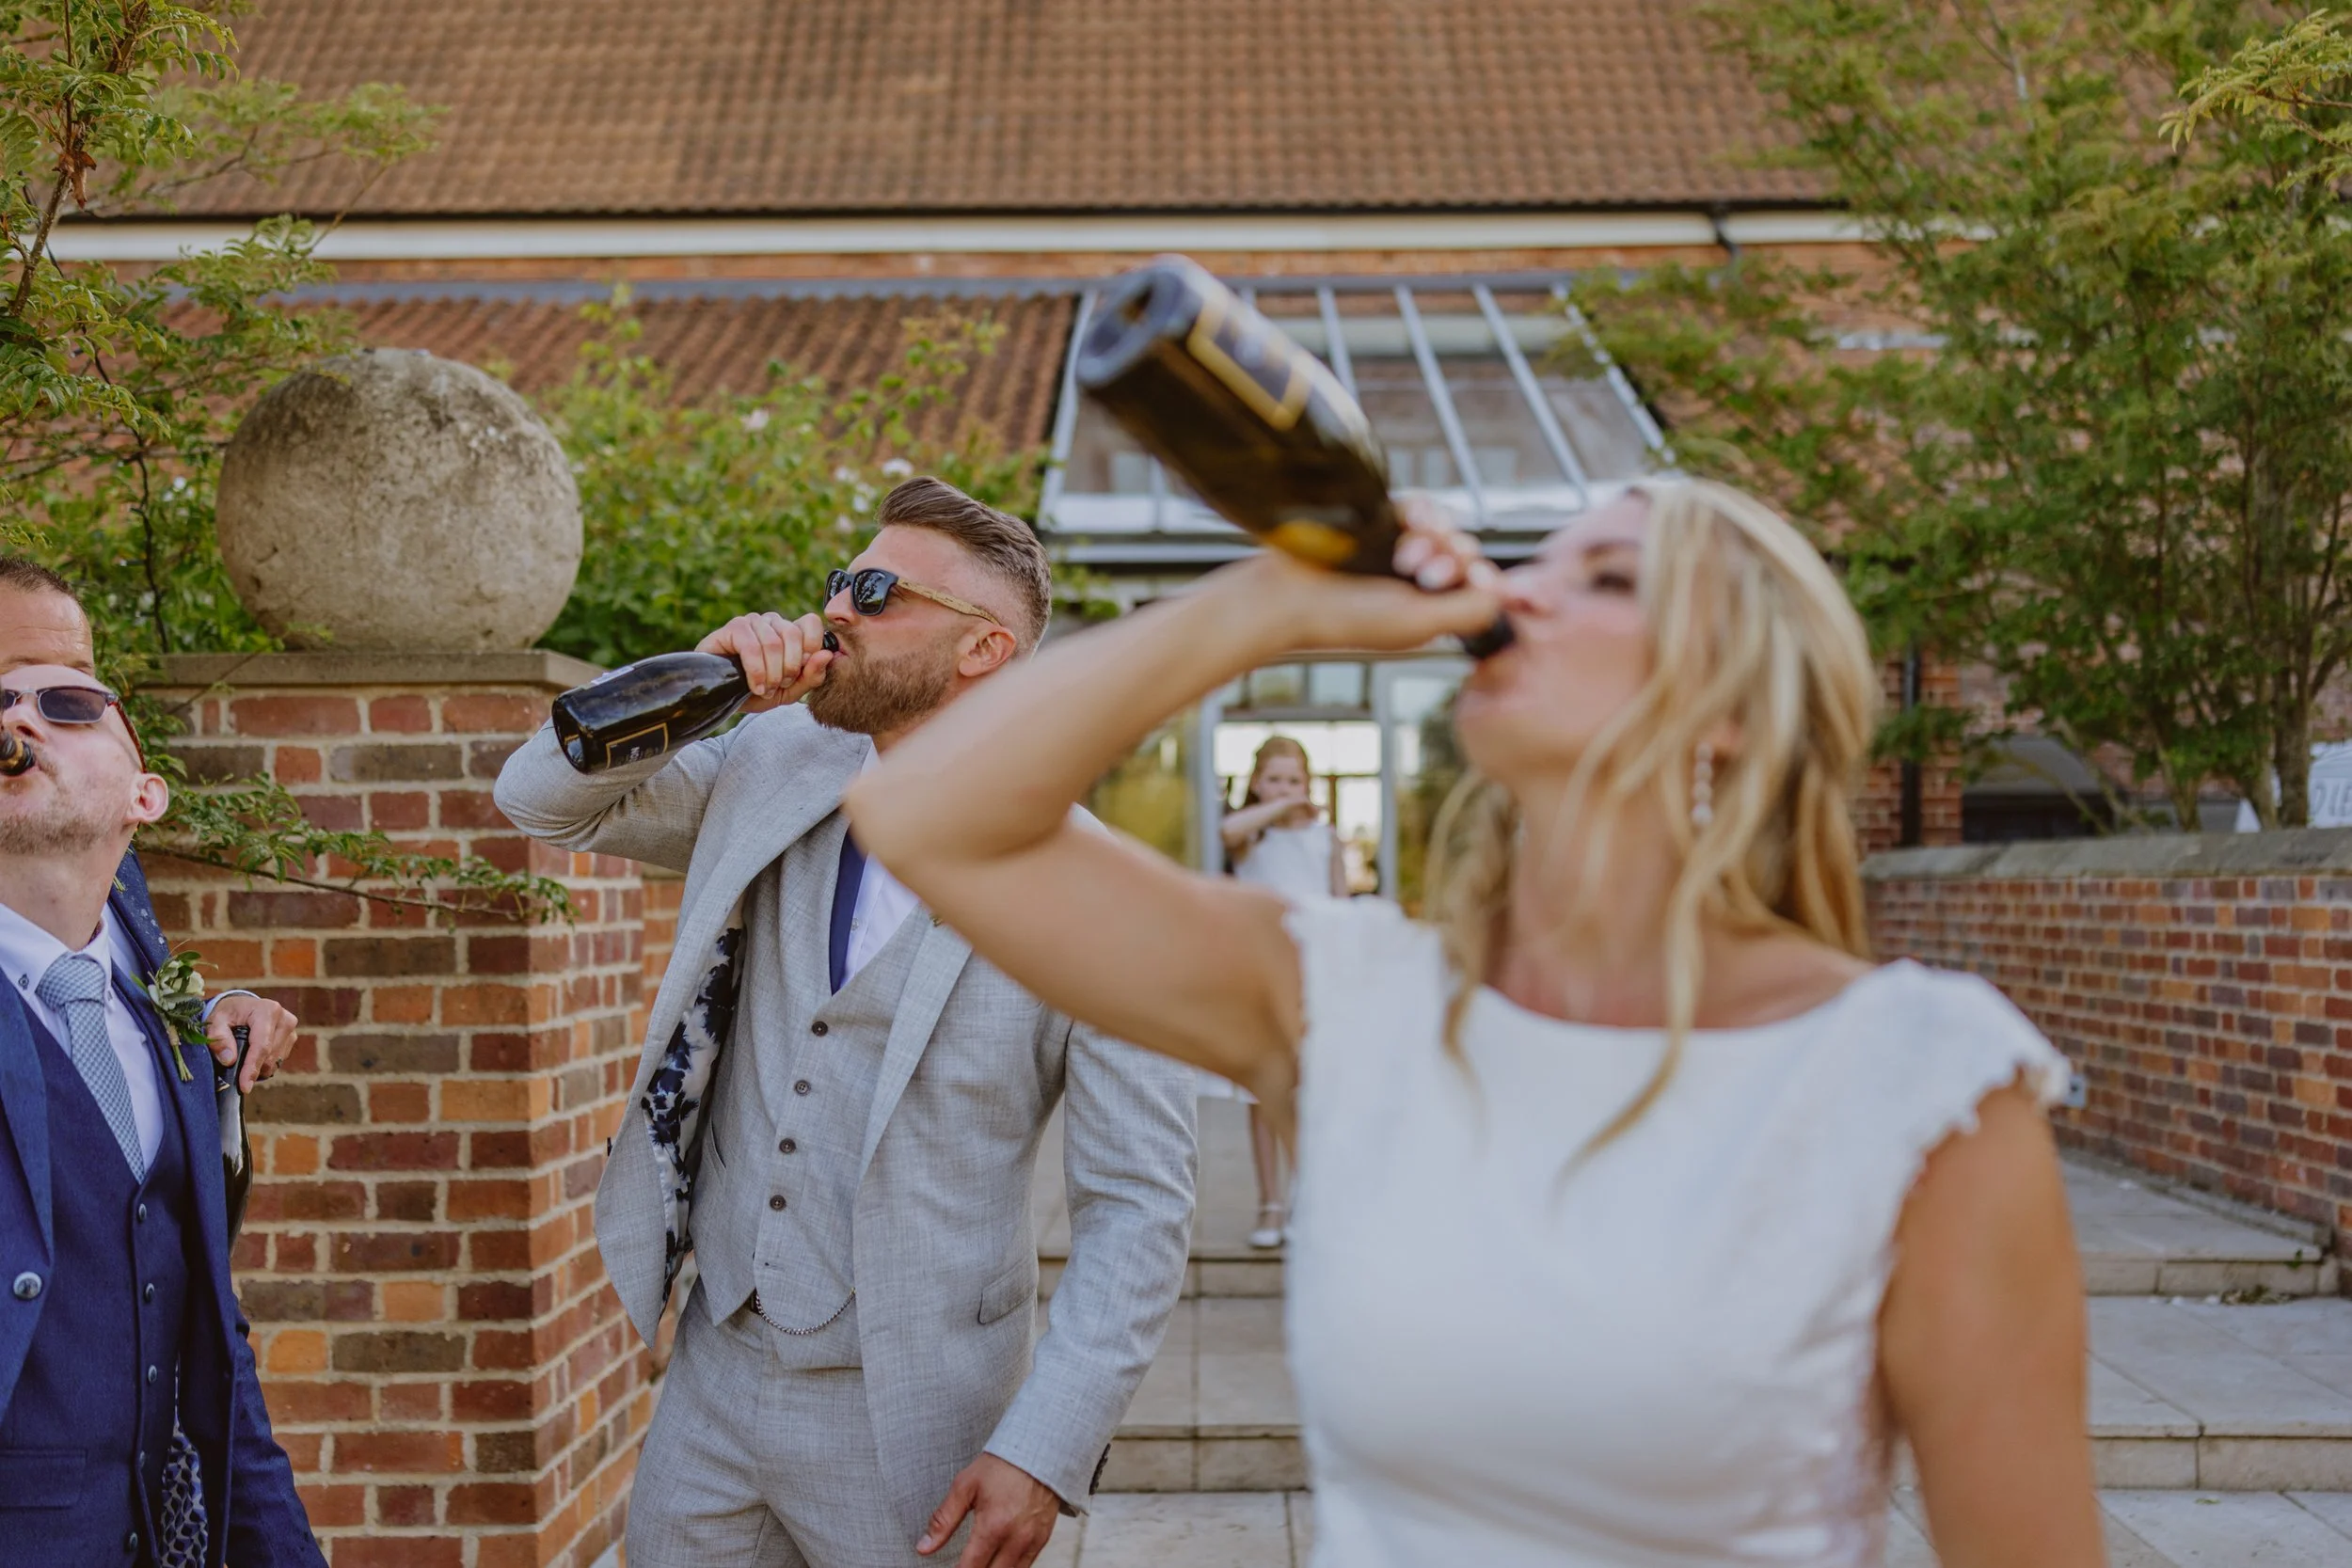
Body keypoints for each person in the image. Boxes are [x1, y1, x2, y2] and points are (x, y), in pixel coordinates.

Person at [848, 479, 2105, 1568]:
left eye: (1608, 577)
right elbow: (927, 811)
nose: (1526, 593)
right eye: (1532, 563)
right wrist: (1269, 604)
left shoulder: (1918, 1080)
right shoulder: (1346, 998)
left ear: (1735, 706)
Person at [495, 477, 1197, 1568]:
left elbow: (1138, 1206)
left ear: (982, 651)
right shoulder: (771, 761)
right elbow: (537, 794)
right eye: (839, 582)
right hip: (715, 1377)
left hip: (918, 1416)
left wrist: (1047, 1445)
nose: (835, 612)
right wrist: (708, 683)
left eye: (876, 591)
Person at [0, 637, 319, 1557]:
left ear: (145, 797)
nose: (17, 718)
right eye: (1, 701)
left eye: (67, 704)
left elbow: (209, 1329)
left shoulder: (174, 1025)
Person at [0, 559, 300, 1093]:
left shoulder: (109, 862)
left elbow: (116, 1009)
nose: (30, 719)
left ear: (143, 799)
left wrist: (215, 1015)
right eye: (11, 685)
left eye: (76, 691)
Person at [1211, 736, 1343, 1248]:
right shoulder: (1251, 837)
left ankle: (1308, 1200)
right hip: (1261, 976)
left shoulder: (1325, 837)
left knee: (1310, 1090)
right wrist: (1281, 807)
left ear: (1307, 782)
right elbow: (1229, 829)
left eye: (1294, 780)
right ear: (1258, 783)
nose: (1285, 789)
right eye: (1275, 780)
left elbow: (1340, 905)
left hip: (1313, 978)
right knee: (1262, 1091)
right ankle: (1270, 1202)